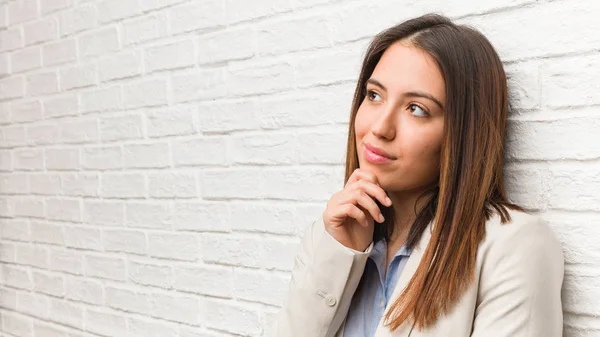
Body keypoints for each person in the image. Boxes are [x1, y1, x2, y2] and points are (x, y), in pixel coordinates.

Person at [269, 13, 564, 337]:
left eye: (416, 109)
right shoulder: (327, 238)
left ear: (462, 132)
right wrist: (341, 255)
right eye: (374, 95)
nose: (380, 128)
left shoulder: (513, 245)